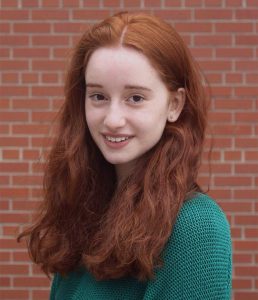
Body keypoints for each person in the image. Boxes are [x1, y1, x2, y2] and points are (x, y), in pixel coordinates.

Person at [18, 11, 232, 299]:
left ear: (175, 104)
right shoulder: (86, 208)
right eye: (99, 96)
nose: (112, 119)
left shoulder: (195, 226)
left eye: (135, 98)